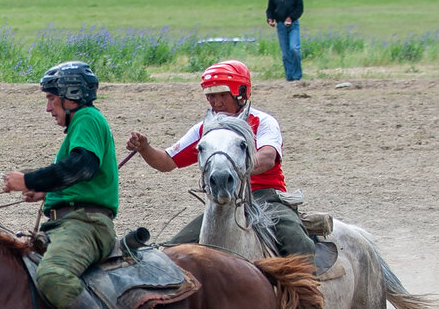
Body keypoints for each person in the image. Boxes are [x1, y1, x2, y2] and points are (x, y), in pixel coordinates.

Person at [1, 61, 131, 309]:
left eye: (51, 99)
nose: (48, 108)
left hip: (86, 225)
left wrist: (28, 179)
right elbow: (77, 176)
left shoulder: (87, 118)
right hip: (68, 222)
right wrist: (44, 191)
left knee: (54, 275)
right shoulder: (79, 126)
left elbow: (82, 166)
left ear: (71, 96)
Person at [126, 59, 315, 261]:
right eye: (211, 96)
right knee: (173, 252)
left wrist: (231, 169)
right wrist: (144, 148)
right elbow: (165, 162)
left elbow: (267, 158)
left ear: (241, 93)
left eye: (222, 95)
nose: (216, 102)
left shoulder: (263, 122)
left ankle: (306, 291)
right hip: (219, 203)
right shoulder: (204, 130)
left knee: (300, 246)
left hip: (266, 198)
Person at [266, 0, 304, 82]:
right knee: (285, 54)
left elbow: (299, 7)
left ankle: (297, 76)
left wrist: (291, 18)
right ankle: (289, 77)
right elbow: (270, 10)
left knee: (294, 49)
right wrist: (270, 19)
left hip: (293, 25)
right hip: (281, 25)